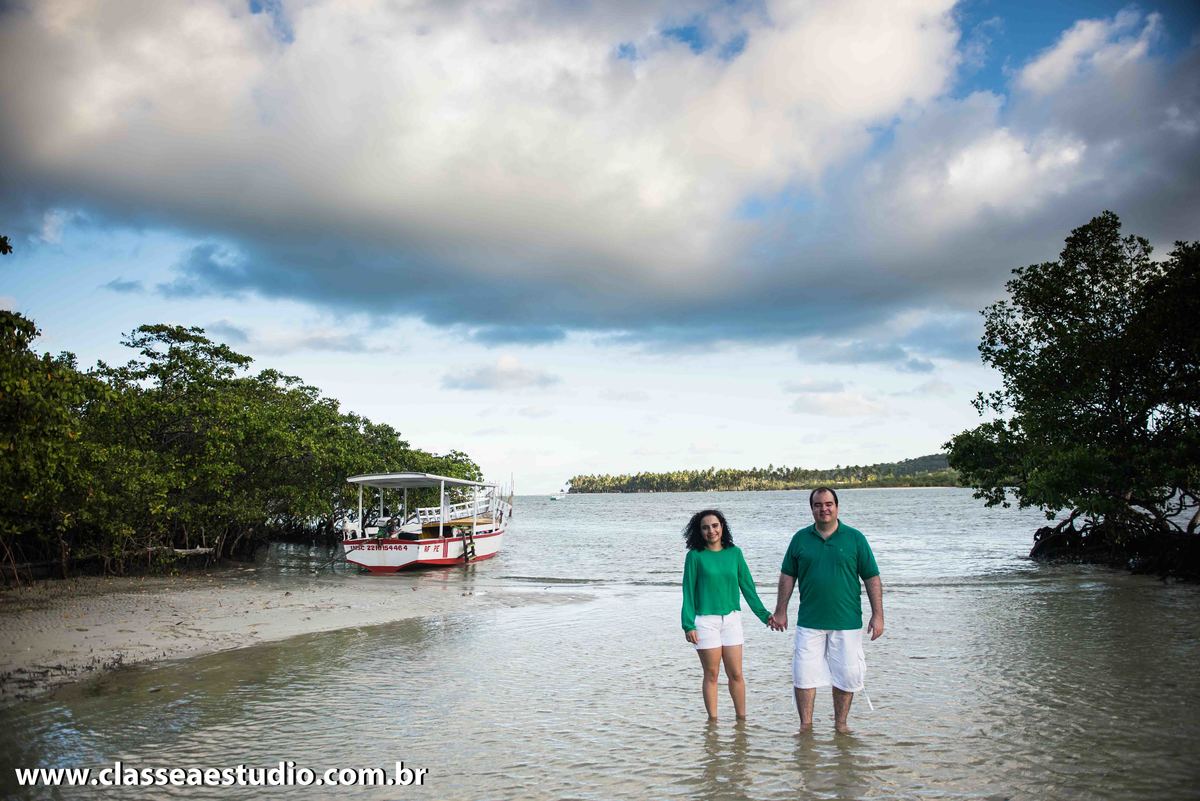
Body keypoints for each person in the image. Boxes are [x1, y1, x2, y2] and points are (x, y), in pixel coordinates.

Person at [768, 487, 883, 733]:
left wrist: (878, 615)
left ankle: (840, 724)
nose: (824, 509)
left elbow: (871, 577)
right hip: (809, 621)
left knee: (847, 676)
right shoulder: (800, 538)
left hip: (847, 621)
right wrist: (780, 611)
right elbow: (788, 575)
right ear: (812, 509)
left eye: (828, 504)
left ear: (837, 507)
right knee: (803, 676)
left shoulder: (854, 538)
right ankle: (805, 727)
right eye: (818, 505)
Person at [681, 509, 772, 721]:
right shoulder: (695, 556)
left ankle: (742, 722)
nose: (711, 531)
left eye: (715, 526)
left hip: (731, 620)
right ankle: (712, 725)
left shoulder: (735, 553)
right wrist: (688, 624)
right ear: (699, 531)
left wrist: (765, 616)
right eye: (705, 527)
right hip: (705, 622)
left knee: (736, 674)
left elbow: (748, 588)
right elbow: (688, 592)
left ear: (722, 527)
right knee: (712, 675)